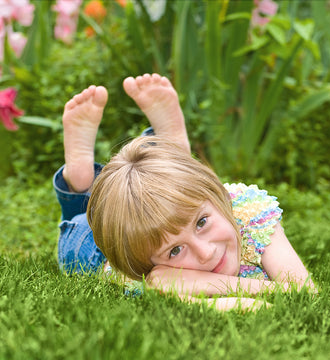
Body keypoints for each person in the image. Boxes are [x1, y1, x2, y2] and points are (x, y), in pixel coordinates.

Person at [54, 73, 315, 312]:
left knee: (183, 193)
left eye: (202, 222)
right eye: (174, 251)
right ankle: (80, 183)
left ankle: (172, 149)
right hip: (103, 246)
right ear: (147, 266)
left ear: (220, 195)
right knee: (79, 227)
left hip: (170, 207)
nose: (206, 253)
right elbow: (267, 305)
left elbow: (306, 293)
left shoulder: (250, 215)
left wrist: (198, 282)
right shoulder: (142, 274)